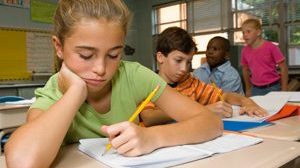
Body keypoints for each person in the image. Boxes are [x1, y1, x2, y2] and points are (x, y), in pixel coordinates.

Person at [4, 1, 223, 167]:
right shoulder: (54, 91)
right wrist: (75, 92)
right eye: (86, 55)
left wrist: (152, 137)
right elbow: (22, 161)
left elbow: (211, 123)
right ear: (59, 47)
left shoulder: (133, 75)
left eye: (113, 54)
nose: (101, 69)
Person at [140, 27, 267, 127]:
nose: (184, 68)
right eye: (178, 60)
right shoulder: (148, 83)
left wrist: (247, 102)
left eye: (188, 62)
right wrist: (203, 110)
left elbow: (225, 96)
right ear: (160, 57)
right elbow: (149, 117)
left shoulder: (190, 82)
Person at [241, 18, 288, 97]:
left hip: (273, 88)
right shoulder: (244, 51)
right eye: (243, 32)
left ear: (258, 32)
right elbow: (245, 70)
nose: (245, 35)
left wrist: (284, 89)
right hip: (255, 89)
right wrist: (248, 89)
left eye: (248, 31)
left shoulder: (272, 47)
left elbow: (283, 68)